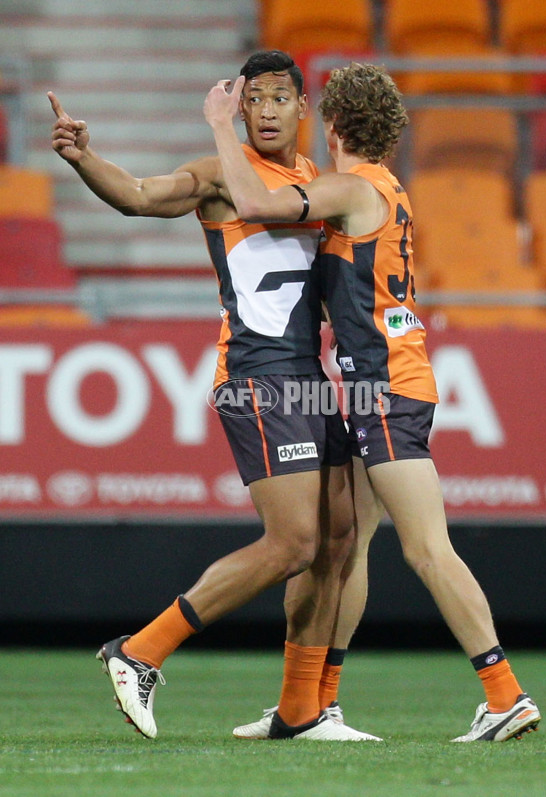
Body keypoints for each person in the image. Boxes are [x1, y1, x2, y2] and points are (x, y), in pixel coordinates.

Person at [203, 62, 542, 743]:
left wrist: (219, 126)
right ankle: (313, 705)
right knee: (345, 548)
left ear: (330, 124)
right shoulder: (386, 186)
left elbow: (262, 205)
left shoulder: (354, 189)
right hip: (376, 385)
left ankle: (504, 692)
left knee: (427, 547)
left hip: (386, 389)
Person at [49, 50, 380, 742]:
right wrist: (86, 158)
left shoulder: (318, 181)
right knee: (292, 542)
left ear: (302, 109)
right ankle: (139, 649)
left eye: (278, 99)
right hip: (258, 376)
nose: (264, 111)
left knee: (341, 539)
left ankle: (300, 710)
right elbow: (142, 195)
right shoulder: (217, 175)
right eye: (252, 99)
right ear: (238, 107)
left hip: (309, 378)